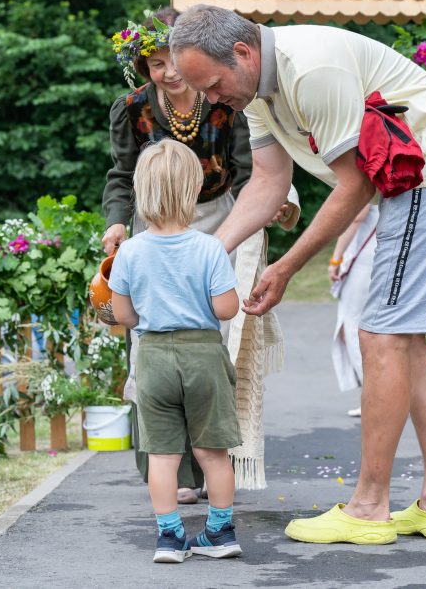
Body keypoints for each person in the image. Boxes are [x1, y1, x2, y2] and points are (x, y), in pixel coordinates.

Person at [171, 5, 426, 545]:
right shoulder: (254, 92)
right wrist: (208, 253)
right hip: (419, 183)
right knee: (404, 336)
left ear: (243, 54)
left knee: (381, 334)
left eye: (213, 84)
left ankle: (368, 507)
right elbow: (269, 184)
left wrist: (287, 266)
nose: (210, 98)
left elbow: (355, 185)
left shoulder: (310, 68)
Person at [102, 8, 298, 502]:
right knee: (150, 340)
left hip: (219, 220)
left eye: (174, 61)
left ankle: (219, 460)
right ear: (142, 67)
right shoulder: (130, 109)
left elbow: (251, 167)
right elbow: (121, 176)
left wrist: (273, 205)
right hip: (154, 226)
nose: (168, 73)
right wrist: (117, 224)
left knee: (216, 339)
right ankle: (169, 470)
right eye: (155, 64)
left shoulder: (223, 99)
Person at [109, 139, 243, 563]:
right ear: (193, 191)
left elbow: (122, 314)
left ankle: (170, 537)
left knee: (163, 455)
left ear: (141, 192)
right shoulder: (209, 248)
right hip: (203, 353)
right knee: (213, 452)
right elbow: (227, 307)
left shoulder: (129, 251)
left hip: (153, 358)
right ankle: (220, 532)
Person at [328, 204, 379, 418]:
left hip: (363, 259)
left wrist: (336, 258)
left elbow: (357, 214)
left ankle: (374, 398)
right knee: (365, 328)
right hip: (376, 252)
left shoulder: (364, 172)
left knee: (352, 328)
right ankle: (376, 395)